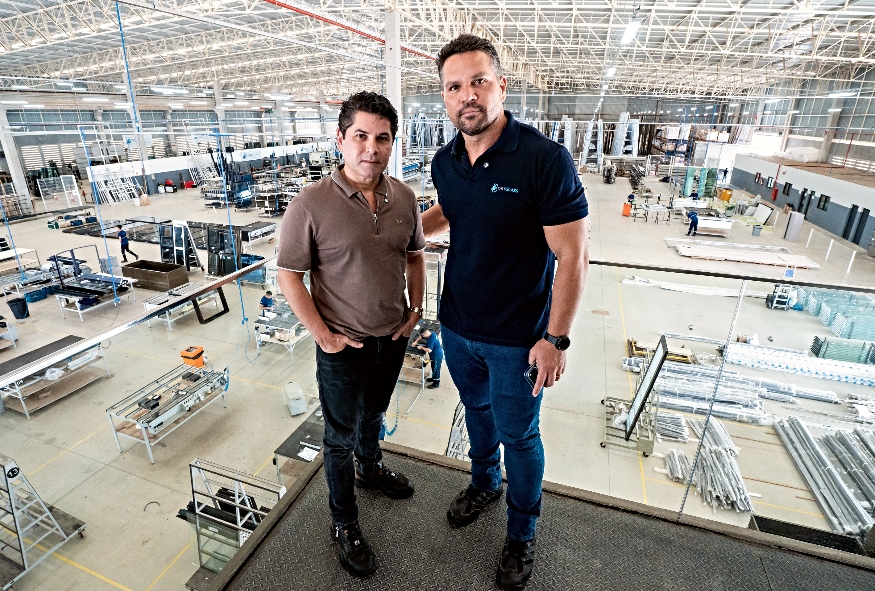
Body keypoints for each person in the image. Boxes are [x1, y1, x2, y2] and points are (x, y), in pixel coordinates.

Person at [423, 34, 589, 590]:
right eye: (454, 87)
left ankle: (521, 534)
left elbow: (573, 255)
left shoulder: (543, 159)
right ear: (444, 97)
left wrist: (555, 339)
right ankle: (483, 483)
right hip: (457, 327)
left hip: (518, 339)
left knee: (519, 436)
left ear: (501, 86)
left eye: (478, 81)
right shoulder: (445, 161)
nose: (467, 95)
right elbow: (452, 209)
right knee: (476, 411)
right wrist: (396, 233)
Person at [276, 91, 426, 578]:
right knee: (337, 439)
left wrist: (415, 311)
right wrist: (323, 336)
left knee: (375, 413)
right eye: (361, 136)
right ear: (340, 139)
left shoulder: (404, 198)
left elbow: (415, 256)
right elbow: (289, 276)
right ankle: (344, 522)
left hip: (392, 337)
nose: (371, 149)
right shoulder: (310, 204)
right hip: (342, 346)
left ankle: (370, 465)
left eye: (382, 138)